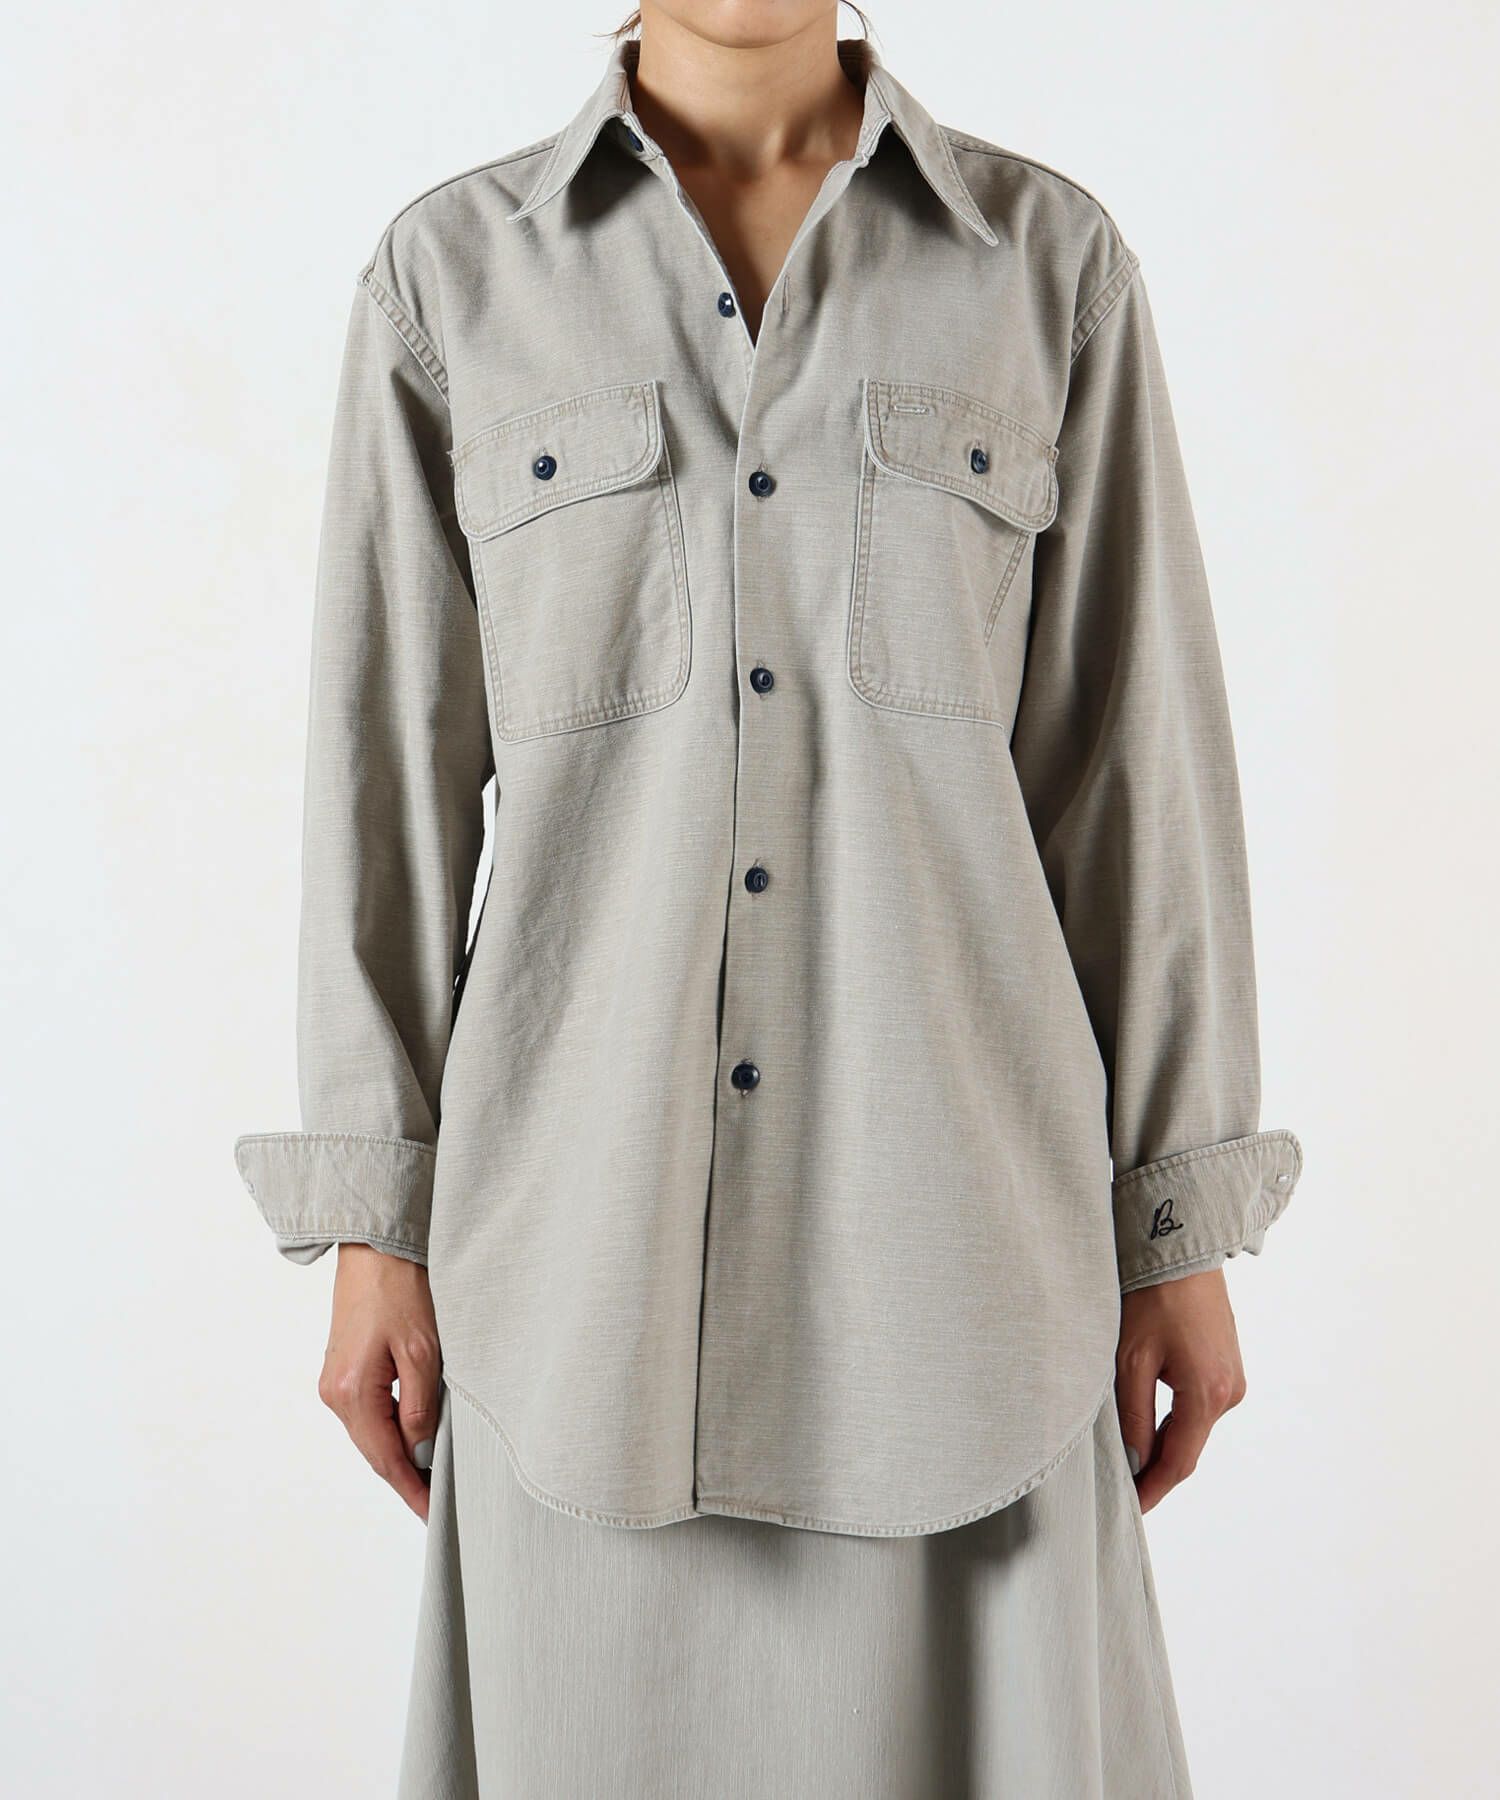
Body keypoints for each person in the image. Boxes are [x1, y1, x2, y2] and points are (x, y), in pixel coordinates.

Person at [234, 4, 1303, 1793]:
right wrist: (372, 1222)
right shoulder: (451, 281)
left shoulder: (1048, 270)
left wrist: (1176, 1226)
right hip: (578, 1273)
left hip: (966, 1268)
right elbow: (384, 786)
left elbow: (1138, 775)